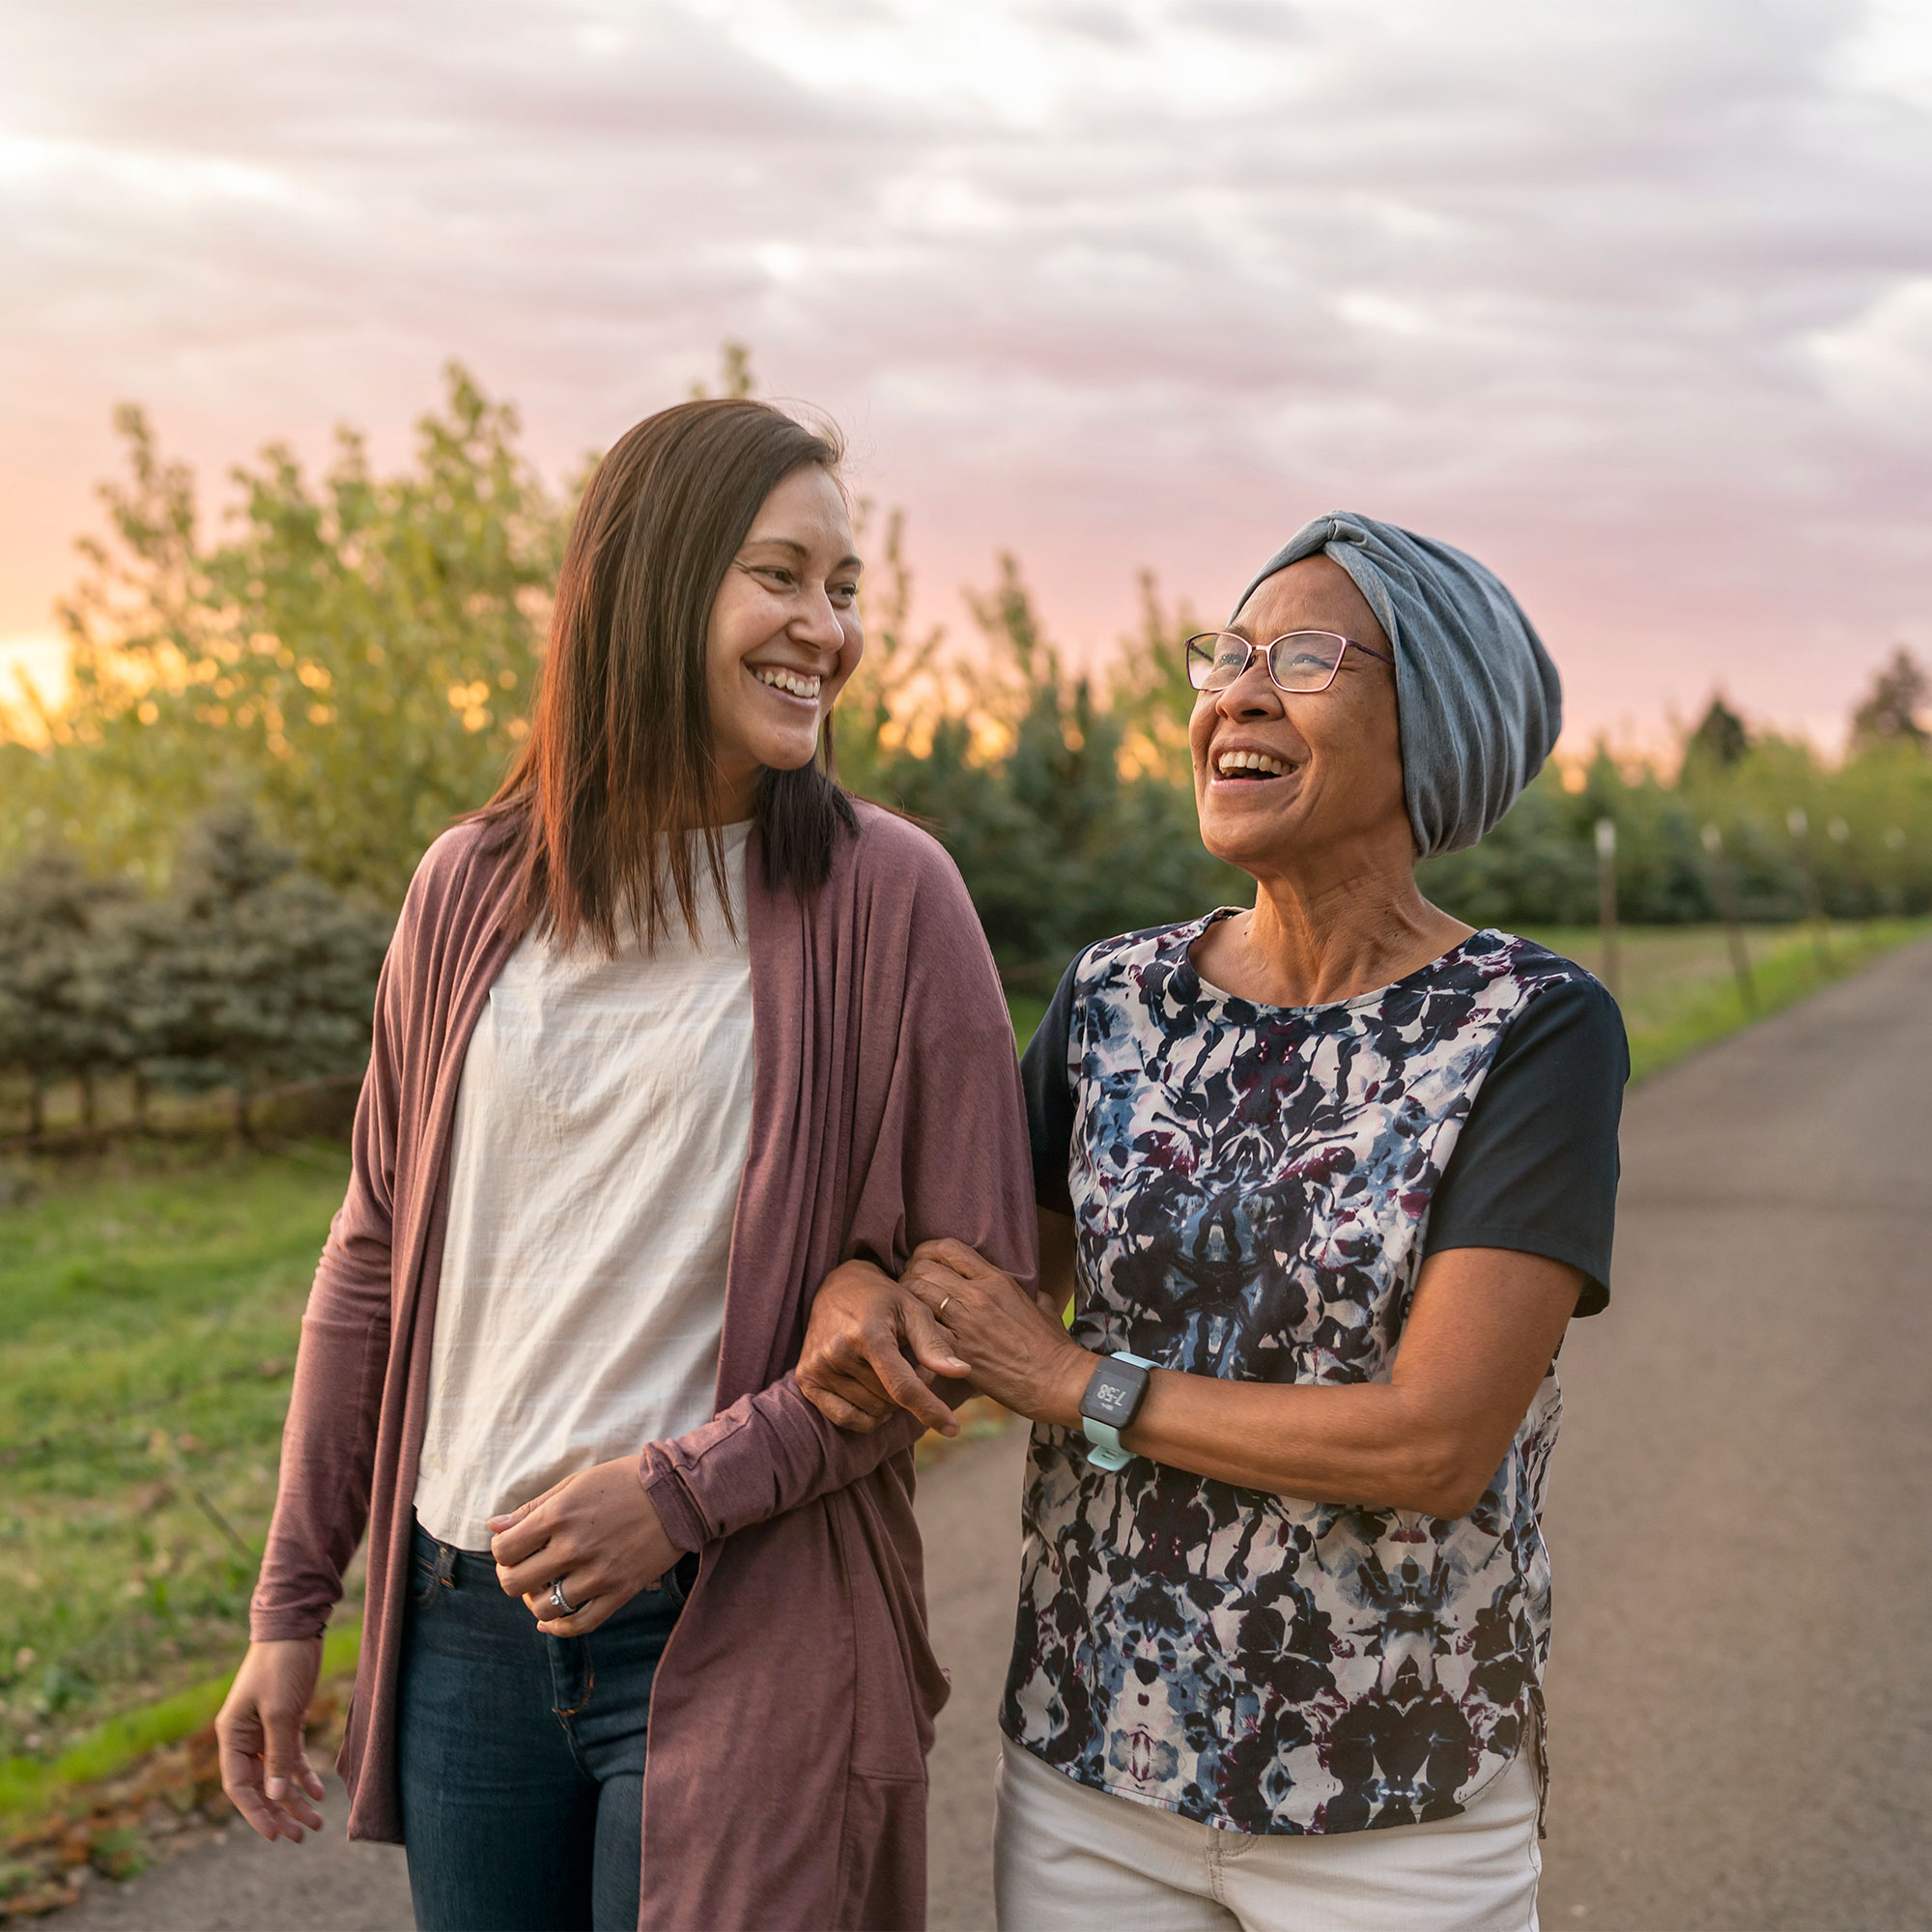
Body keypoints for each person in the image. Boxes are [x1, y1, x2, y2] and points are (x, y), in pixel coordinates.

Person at [213, 398, 1036, 1932]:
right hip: (465, 1626)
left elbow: (966, 1306)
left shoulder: (892, 899)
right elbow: (372, 1257)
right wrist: (291, 1608)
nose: (826, 628)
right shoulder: (469, 889)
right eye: (780, 576)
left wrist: (683, 1492)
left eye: (844, 587)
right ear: (651, 585)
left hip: (742, 1610)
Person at [799, 513, 1627, 1931]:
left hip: (1397, 1804)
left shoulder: (1530, 1031)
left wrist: (1078, 1384)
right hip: (1094, 1778)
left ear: (1431, 724)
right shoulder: (1114, 1000)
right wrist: (857, 1296)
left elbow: (1434, 1444)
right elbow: (976, 1294)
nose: (1237, 690)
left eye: (1305, 657)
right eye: (1227, 653)